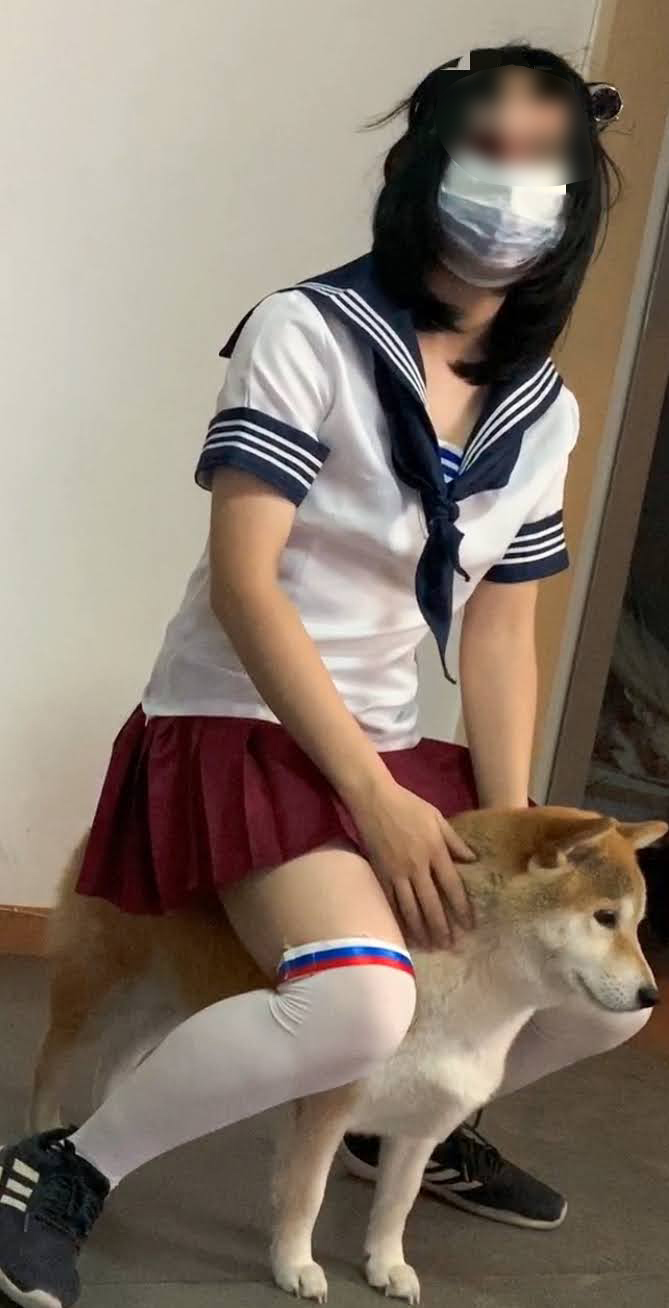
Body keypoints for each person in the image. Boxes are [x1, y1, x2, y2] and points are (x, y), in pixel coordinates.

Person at [0, 43, 636, 1308]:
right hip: (238, 723)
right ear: (423, 165)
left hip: (386, 737)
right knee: (358, 1004)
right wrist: (375, 798)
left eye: (546, 161)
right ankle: (63, 1168)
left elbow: (501, 630)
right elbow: (249, 585)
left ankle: (392, 1121)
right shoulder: (307, 331)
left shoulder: (544, 408)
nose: (516, 186)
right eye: (489, 151)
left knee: (603, 1001)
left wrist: (513, 839)